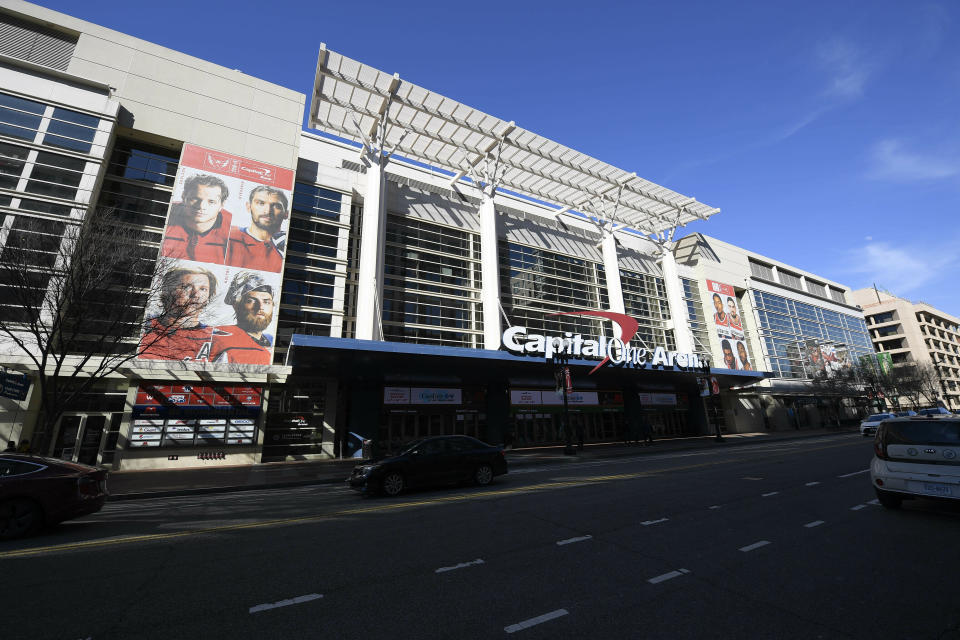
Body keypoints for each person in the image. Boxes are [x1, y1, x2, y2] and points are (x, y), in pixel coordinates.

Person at [139, 267, 217, 361]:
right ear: (167, 291)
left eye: (203, 289)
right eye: (186, 287)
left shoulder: (214, 340)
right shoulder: (144, 327)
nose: (196, 294)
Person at [161, 174, 232, 264]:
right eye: (195, 199)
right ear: (183, 197)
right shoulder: (166, 213)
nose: (201, 206)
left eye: (211, 201)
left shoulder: (232, 229)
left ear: (222, 205)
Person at [210, 272, 275, 365]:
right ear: (236, 306)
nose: (260, 307)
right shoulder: (220, 337)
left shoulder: (271, 342)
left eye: (267, 302)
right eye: (251, 301)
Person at [226, 186, 289, 272]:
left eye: (276, 206)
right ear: (248, 207)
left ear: (286, 214)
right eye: (260, 203)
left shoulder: (288, 246)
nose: (267, 211)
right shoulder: (228, 236)